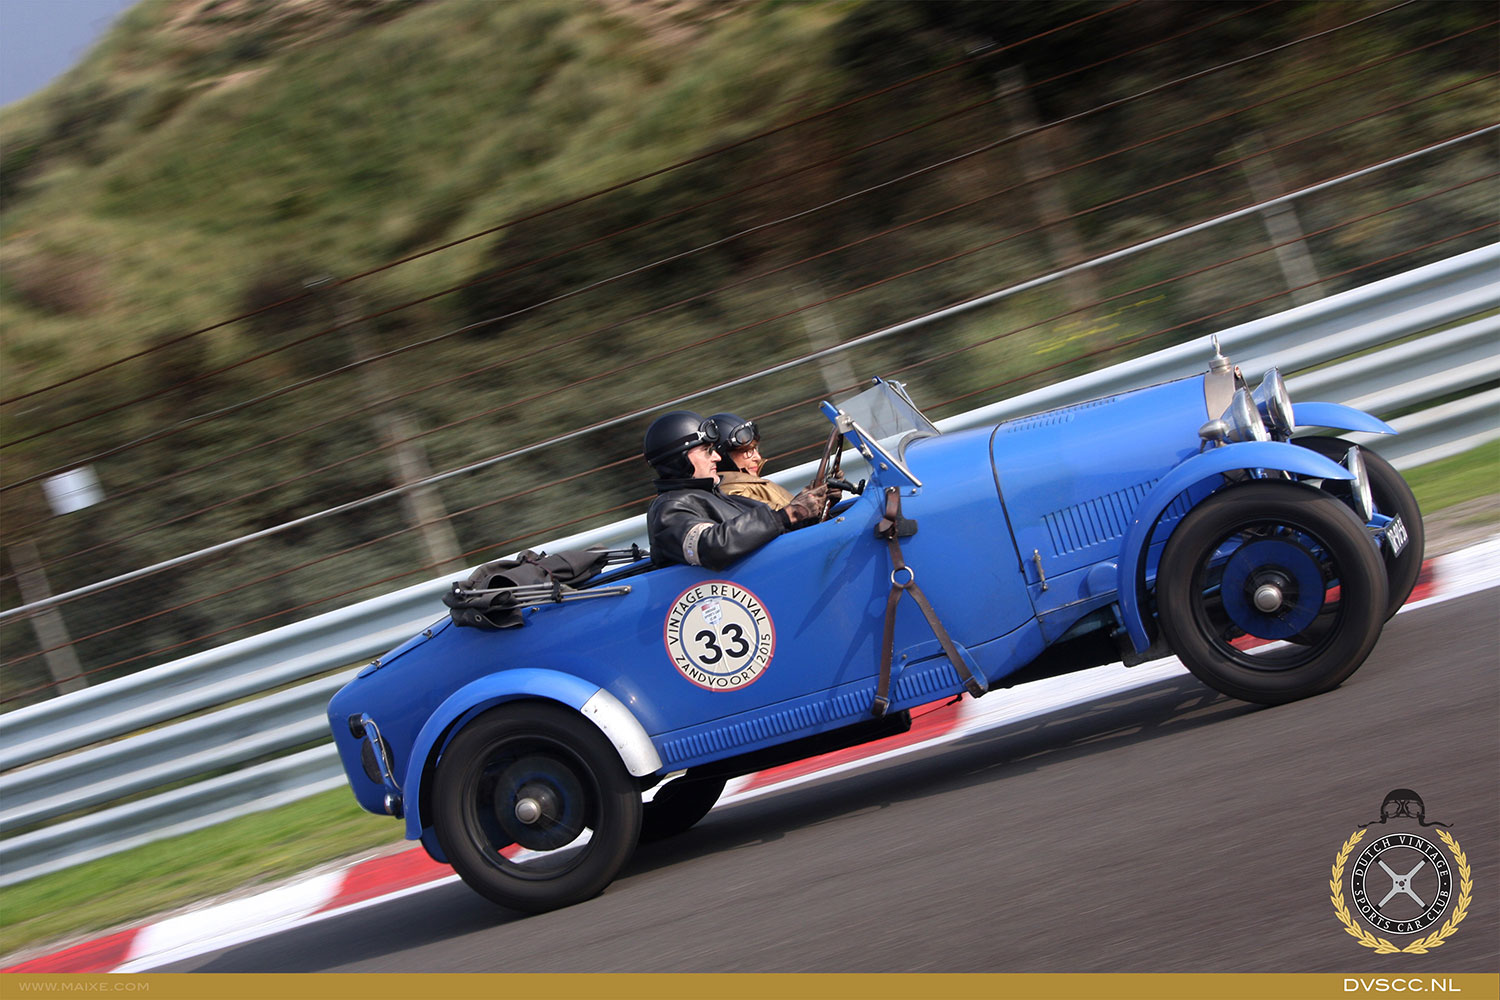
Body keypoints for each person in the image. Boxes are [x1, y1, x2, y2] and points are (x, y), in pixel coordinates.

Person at [643, 410, 827, 570]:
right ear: (680, 459)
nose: (716, 457)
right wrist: (787, 515)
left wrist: (812, 508)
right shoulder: (669, 508)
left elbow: (770, 532)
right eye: (707, 450)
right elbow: (712, 547)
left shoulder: (718, 496)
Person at [706, 412, 795, 510]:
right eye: (747, 451)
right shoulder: (733, 491)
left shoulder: (745, 483)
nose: (758, 457)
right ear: (722, 457)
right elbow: (785, 515)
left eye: (755, 449)